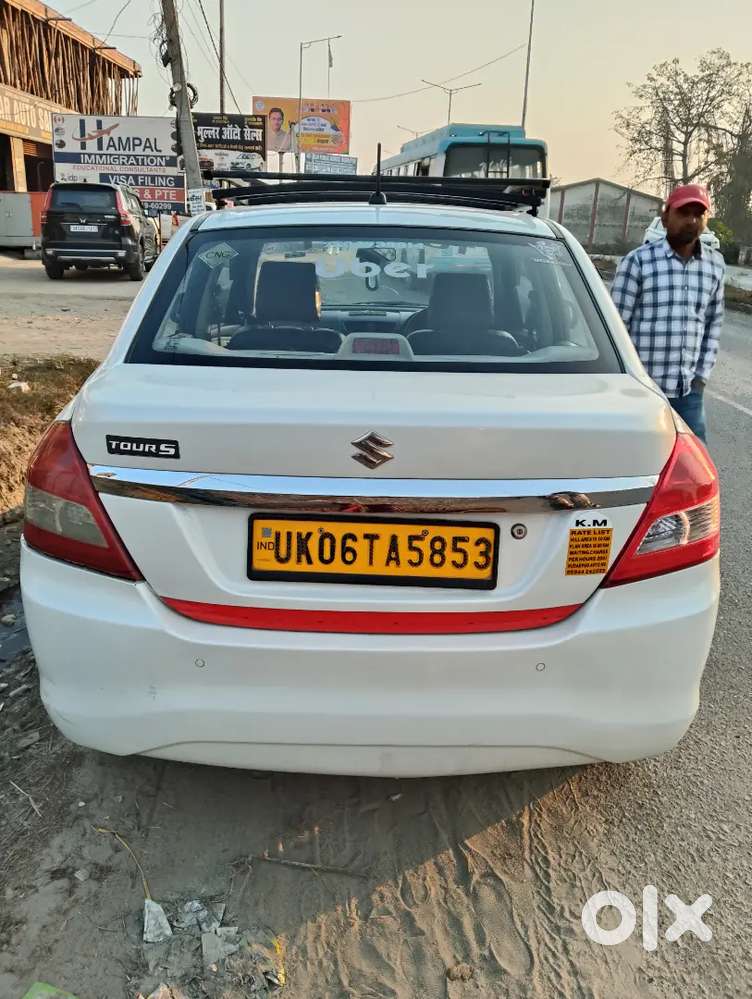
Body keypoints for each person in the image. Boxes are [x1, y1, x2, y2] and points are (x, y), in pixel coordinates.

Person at [611, 184, 724, 442]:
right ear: (665, 217)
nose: (692, 221)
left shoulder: (714, 266)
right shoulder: (638, 262)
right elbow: (617, 329)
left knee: (696, 471)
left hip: (688, 395)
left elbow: (713, 326)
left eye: (699, 214)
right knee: (640, 460)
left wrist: (700, 380)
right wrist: (629, 383)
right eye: (684, 213)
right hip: (642, 392)